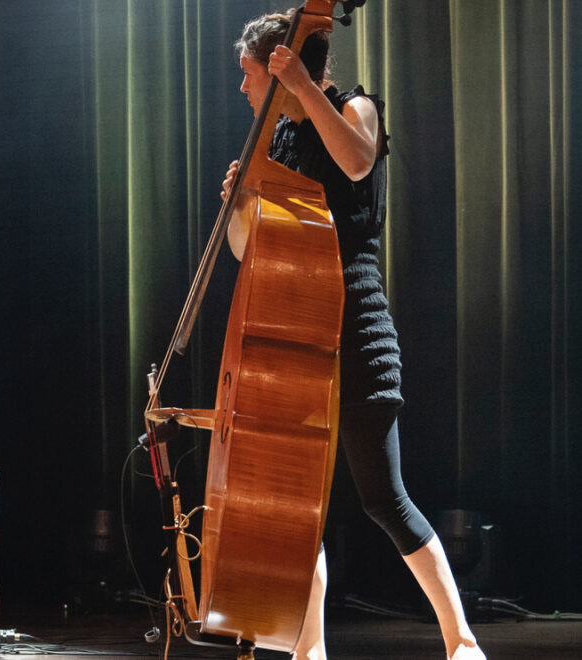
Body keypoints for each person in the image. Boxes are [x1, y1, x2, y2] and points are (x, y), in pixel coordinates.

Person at [220, 11, 485, 660]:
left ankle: (461, 639)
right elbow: (249, 252)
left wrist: (305, 88)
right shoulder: (275, 144)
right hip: (293, 338)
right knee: (296, 512)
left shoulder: (353, 107)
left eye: (250, 75)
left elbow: (359, 162)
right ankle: (309, 651)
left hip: (357, 327)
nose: (245, 89)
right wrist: (240, 205)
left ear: (280, 67)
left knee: (383, 498)